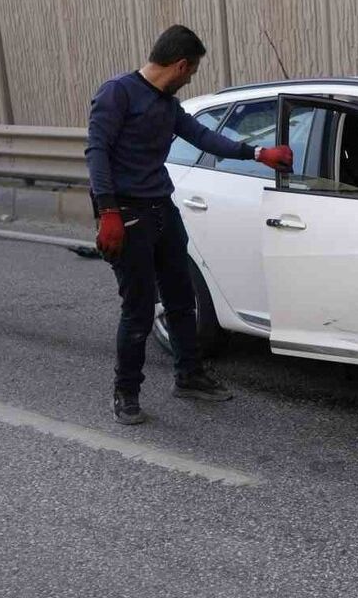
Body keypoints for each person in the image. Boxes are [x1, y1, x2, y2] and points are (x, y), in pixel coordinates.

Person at [85, 24, 292, 425]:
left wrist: (257, 152)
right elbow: (96, 152)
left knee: (182, 300)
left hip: (162, 208)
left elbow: (202, 136)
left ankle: (189, 376)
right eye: (192, 71)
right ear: (180, 64)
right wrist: (108, 212)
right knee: (139, 310)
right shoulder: (118, 93)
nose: (191, 78)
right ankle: (126, 393)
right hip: (126, 215)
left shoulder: (165, 104)